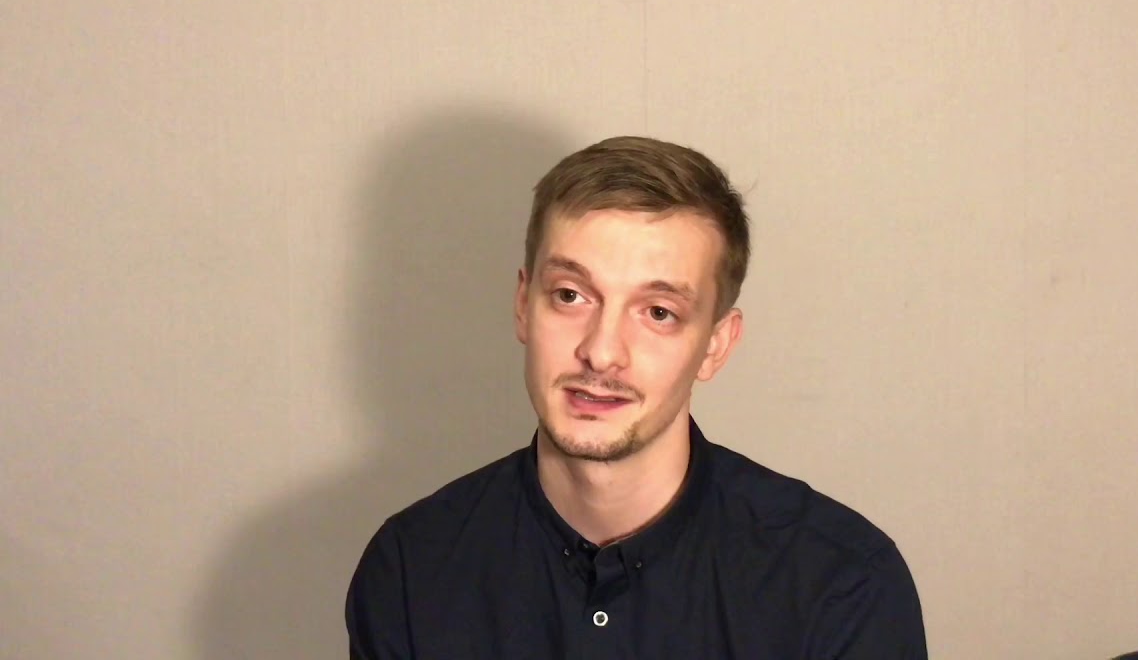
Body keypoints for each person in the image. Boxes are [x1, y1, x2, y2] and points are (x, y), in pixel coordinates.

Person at [346, 136, 927, 659]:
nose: (601, 353)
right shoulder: (412, 568)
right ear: (524, 305)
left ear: (716, 345)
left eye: (658, 313)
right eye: (570, 295)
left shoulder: (842, 584)